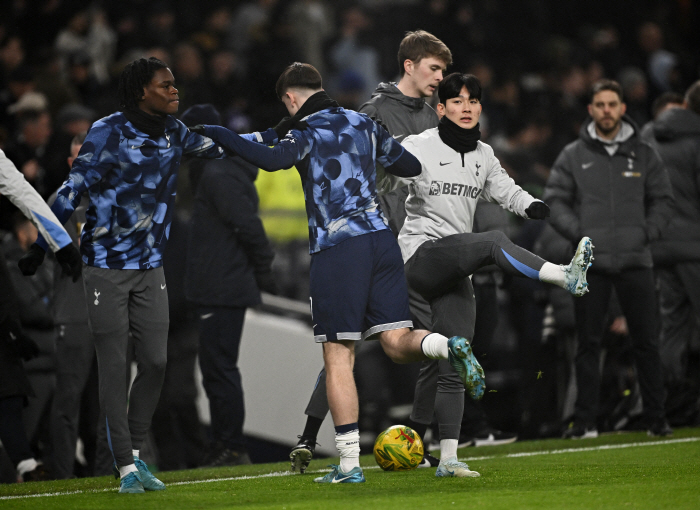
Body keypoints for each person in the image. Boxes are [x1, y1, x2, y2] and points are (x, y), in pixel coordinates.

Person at [191, 62, 485, 484]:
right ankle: (445, 343)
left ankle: (348, 465)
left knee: (338, 354)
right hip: (382, 241)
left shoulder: (306, 130)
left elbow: (273, 160)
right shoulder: (363, 123)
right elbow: (408, 166)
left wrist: (220, 134)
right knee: (397, 341)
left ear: (290, 99)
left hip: (338, 247)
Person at [15, 57, 277, 493]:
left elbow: (226, 145)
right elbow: (69, 191)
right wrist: (44, 247)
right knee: (115, 369)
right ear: (141, 91)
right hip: (105, 269)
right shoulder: (106, 132)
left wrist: (281, 133)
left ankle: (135, 453)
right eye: (166, 85)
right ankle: (124, 467)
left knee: (155, 362)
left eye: (175, 84)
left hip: (150, 268)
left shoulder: (175, 133)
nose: (176, 91)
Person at [387, 72, 593, 476]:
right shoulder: (417, 146)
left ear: (480, 107)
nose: (467, 107)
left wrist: (533, 205)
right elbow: (384, 173)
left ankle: (448, 458)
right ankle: (565, 276)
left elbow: (506, 190)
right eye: (457, 101)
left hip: (455, 267)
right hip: (421, 257)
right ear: (441, 109)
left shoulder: (483, 154)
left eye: (473, 100)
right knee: (492, 241)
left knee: (454, 357)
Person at [290, 29, 452, 473]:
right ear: (410, 65)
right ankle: (310, 433)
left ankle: (414, 439)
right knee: (353, 341)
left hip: (421, 241)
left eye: (443, 70)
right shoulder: (373, 112)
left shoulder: (434, 118)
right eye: (434, 68)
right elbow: (356, 179)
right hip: (381, 241)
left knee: (375, 340)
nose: (440, 77)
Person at [543, 79, 674, 438]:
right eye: (599, 104)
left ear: (622, 108)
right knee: (588, 344)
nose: (606, 110)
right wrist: (580, 235)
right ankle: (584, 421)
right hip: (591, 266)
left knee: (647, 342)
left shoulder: (645, 152)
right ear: (591, 110)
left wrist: (648, 232)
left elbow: (663, 199)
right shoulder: (573, 154)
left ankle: (656, 418)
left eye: (612, 104)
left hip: (637, 260)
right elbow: (554, 200)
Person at [181, 103, 275, 467]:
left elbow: (248, 226)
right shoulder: (222, 171)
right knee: (219, 369)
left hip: (220, 288)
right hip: (221, 285)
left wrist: (264, 269)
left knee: (219, 369)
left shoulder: (217, 174)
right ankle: (226, 443)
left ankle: (230, 446)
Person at [642, 81, 700, 422]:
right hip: (694, 245)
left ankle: (669, 403)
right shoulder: (696, 140)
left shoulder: (649, 135)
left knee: (673, 326)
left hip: (659, 243)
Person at [48, 131, 100, 479]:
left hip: (109, 314)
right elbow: (69, 256)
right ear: (70, 163)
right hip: (75, 314)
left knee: (108, 405)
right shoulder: (59, 201)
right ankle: (62, 478)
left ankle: (108, 474)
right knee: (68, 403)